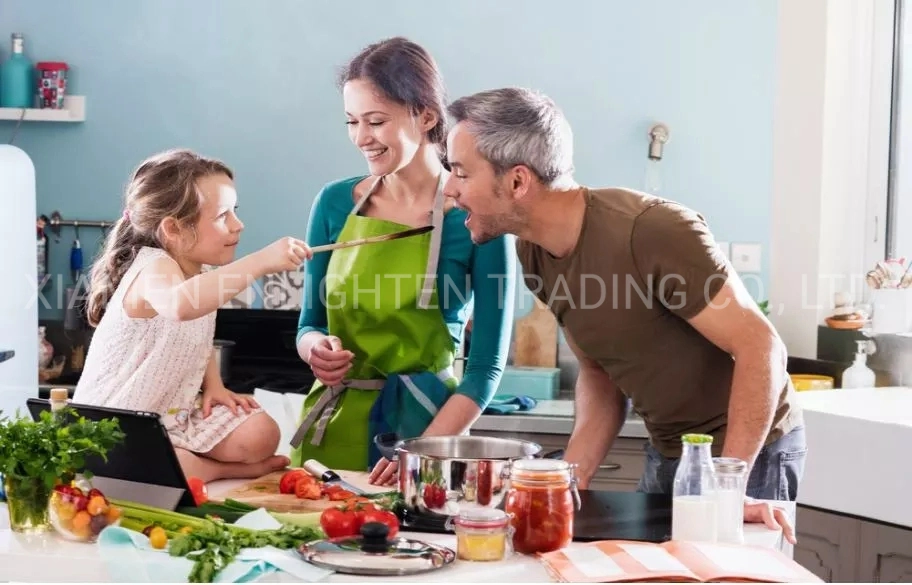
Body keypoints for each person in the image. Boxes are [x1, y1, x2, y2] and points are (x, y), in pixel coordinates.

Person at [441, 86, 805, 543]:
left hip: (749, 454)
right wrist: (570, 480)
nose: (449, 189)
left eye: (459, 172)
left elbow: (761, 346)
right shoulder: (532, 250)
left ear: (517, 181)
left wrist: (727, 490)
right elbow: (598, 372)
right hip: (670, 449)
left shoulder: (651, 230)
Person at [290, 37, 516, 484]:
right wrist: (314, 350)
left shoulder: (476, 213)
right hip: (330, 435)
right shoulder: (334, 203)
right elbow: (308, 323)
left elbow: (486, 366)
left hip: (427, 436)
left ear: (427, 116)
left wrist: (422, 454)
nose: (361, 138)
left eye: (376, 121)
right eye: (351, 122)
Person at [74, 148, 313, 483]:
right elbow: (181, 306)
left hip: (171, 416)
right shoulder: (153, 267)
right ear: (173, 229)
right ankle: (212, 469)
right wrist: (260, 262)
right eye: (222, 216)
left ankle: (189, 460)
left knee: (261, 431)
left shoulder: (200, 274)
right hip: (117, 425)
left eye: (236, 212)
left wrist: (213, 385)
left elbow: (194, 336)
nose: (238, 225)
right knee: (157, 465)